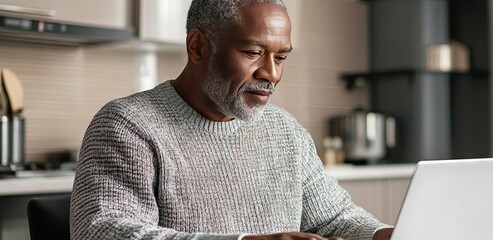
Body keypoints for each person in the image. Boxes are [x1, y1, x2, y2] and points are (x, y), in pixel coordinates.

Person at [70, 0, 394, 239]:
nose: (271, 73)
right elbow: (103, 232)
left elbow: (334, 217)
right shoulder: (128, 125)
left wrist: (391, 235)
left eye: (281, 57)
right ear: (197, 47)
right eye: (253, 53)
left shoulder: (285, 130)